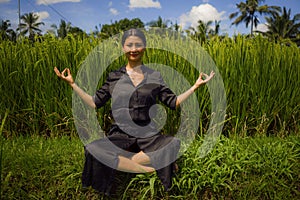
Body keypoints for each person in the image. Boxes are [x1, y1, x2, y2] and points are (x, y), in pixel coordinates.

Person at [54, 28, 215, 195]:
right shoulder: (114, 76)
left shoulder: (155, 76)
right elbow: (95, 102)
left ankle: (122, 162)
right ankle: (149, 169)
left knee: (172, 144)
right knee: (93, 149)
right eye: (129, 45)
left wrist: (195, 86)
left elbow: (173, 102)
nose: (134, 49)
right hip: (120, 134)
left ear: (144, 47)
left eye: (138, 44)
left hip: (149, 134)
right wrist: (72, 84)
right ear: (123, 48)